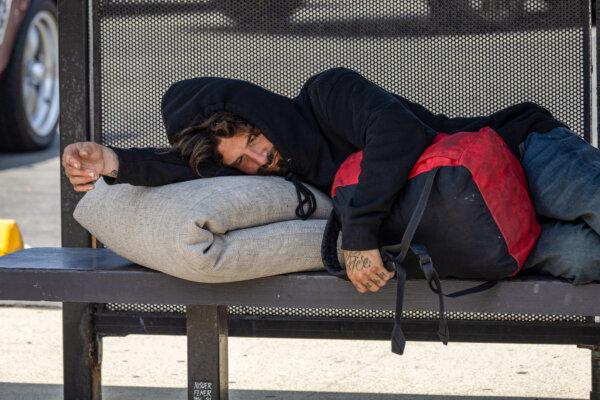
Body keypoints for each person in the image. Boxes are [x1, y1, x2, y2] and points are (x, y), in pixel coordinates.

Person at [62, 67, 600, 291]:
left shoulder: (326, 94)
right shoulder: (289, 181)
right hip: (480, 227)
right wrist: (113, 162)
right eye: (241, 163)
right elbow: (179, 171)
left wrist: (361, 232)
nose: (258, 161)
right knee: (586, 260)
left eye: (253, 141)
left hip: (521, 156)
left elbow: (398, 134)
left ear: (259, 113)